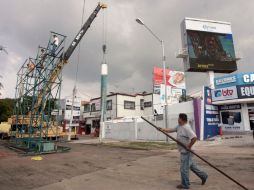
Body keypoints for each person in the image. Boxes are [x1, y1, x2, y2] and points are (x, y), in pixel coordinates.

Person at [160, 113, 208, 189]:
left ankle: (185, 184)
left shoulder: (186, 128)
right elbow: (171, 130)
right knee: (191, 166)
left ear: (182, 119)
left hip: (187, 151)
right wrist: (162, 129)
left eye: (179, 118)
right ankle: (204, 175)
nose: (178, 120)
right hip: (183, 150)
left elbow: (194, 138)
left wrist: (189, 146)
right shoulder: (179, 126)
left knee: (184, 169)